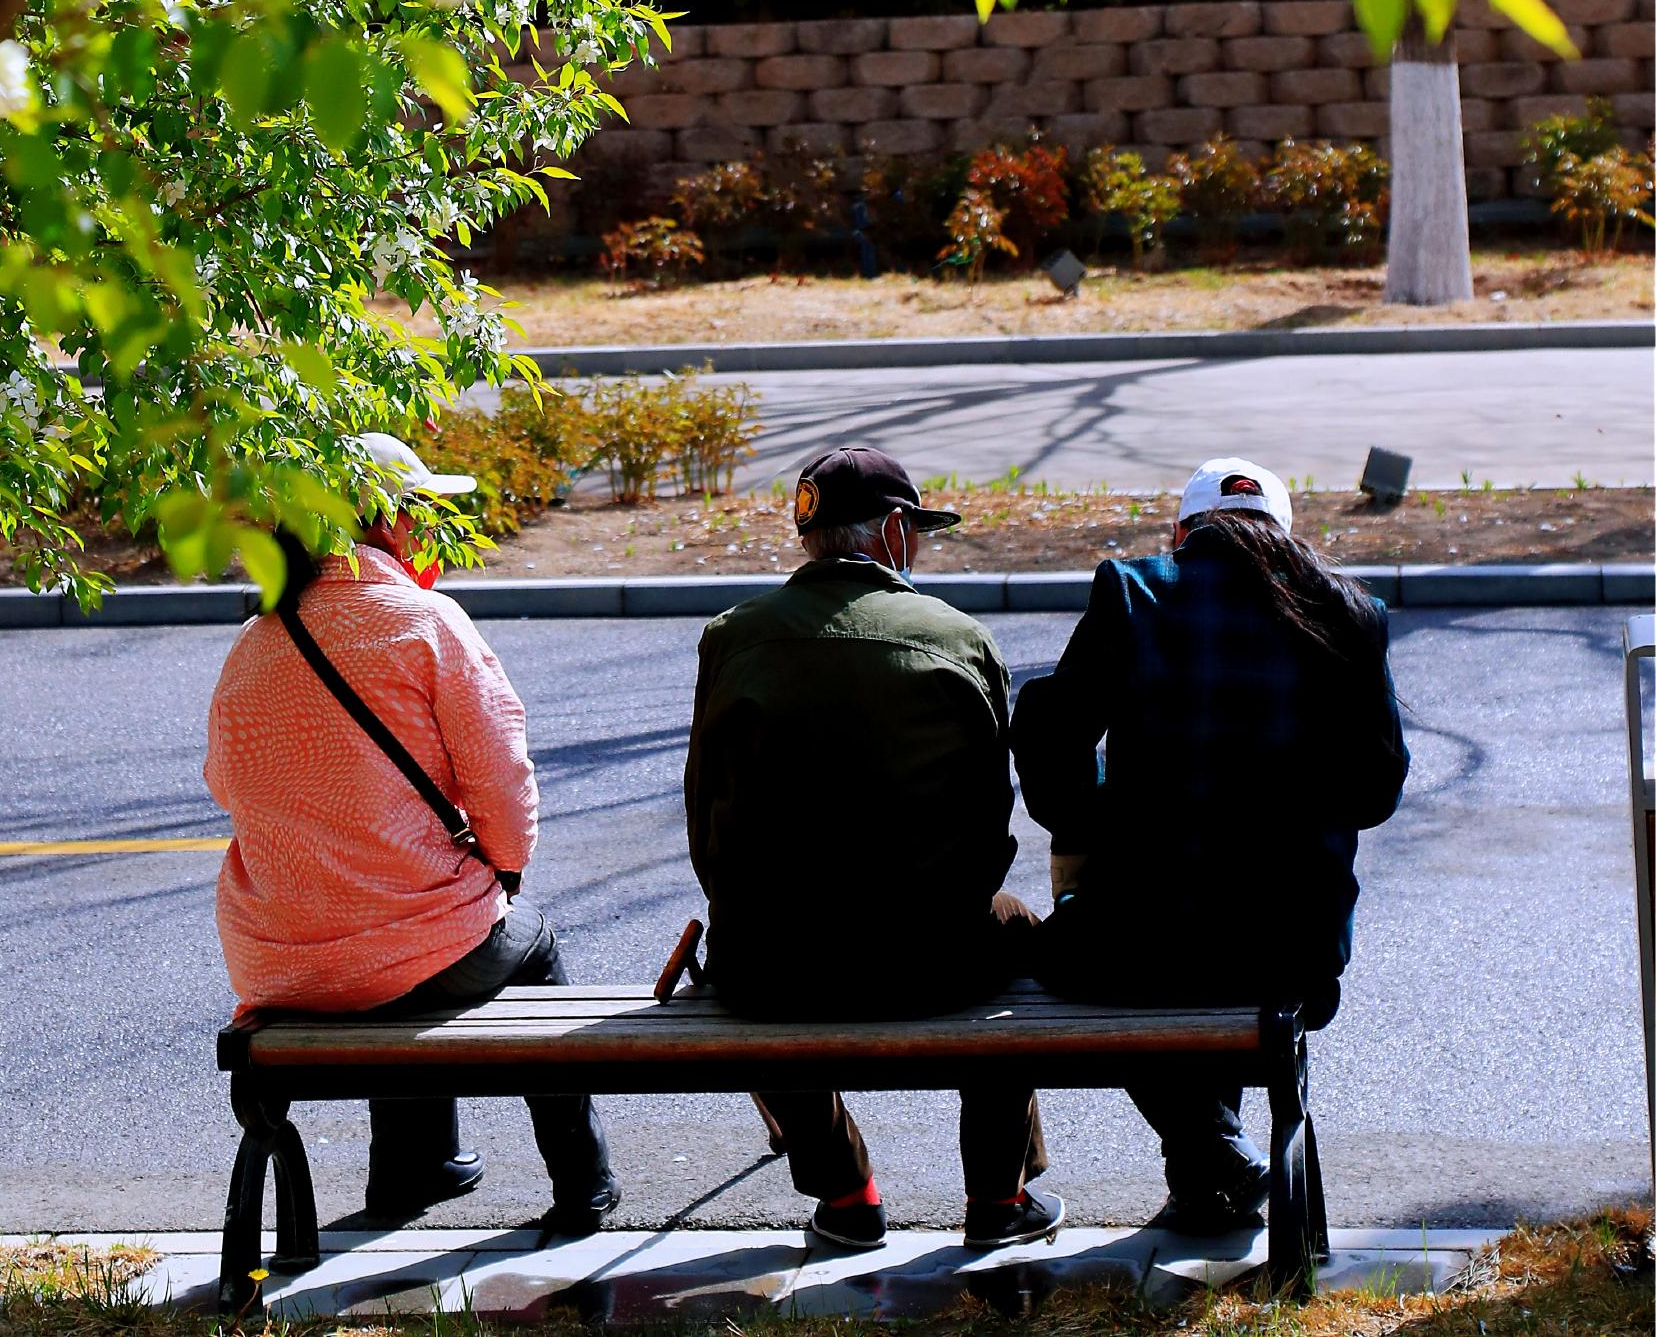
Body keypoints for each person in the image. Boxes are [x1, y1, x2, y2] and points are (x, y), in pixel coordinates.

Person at [205, 431, 619, 1233]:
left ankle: (416, 1166)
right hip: (405, 954)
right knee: (515, 938)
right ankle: (583, 1183)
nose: (432, 524)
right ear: (387, 518)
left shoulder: (255, 641)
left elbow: (226, 783)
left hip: (279, 962)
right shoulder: (425, 622)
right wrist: (504, 869)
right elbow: (502, 780)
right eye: (423, 507)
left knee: (399, 923)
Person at [1013, 456, 1409, 1236]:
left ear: (1181, 532)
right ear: (1286, 536)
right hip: (1295, 951)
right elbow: (1376, 792)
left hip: (1145, 944)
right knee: (1214, 944)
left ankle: (1212, 1149)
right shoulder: (1350, 612)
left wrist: (1095, 817)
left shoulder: (1135, 591)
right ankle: (1207, 1176)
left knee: (1066, 954)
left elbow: (1052, 745)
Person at [683, 443, 1063, 1254]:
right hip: (931, 961)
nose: (918, 545)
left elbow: (703, 819)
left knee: (748, 942)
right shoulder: (957, 637)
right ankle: (998, 1195)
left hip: (771, 966)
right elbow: (991, 824)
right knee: (1015, 927)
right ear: (892, 531)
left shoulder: (732, 637)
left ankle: (848, 1195)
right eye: (916, 531)